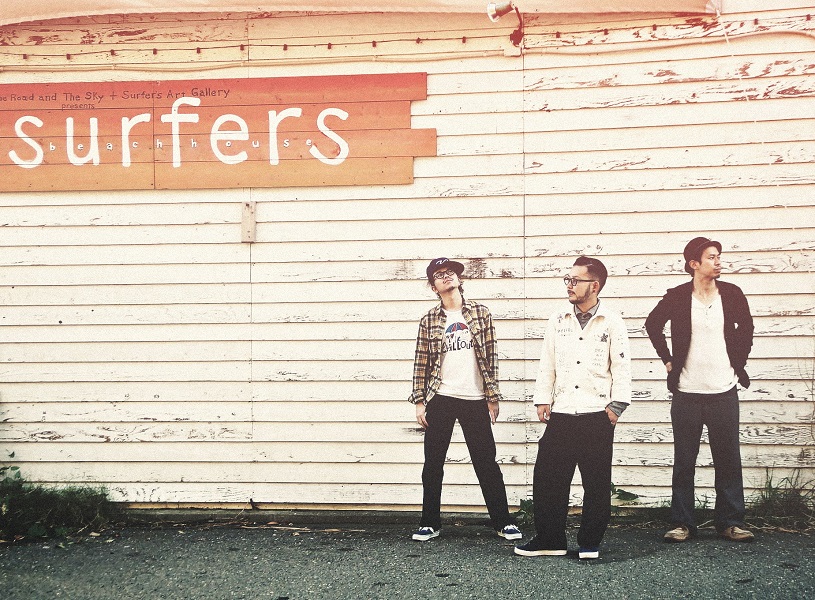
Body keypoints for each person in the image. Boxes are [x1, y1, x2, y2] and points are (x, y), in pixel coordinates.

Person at [515, 256, 631, 560]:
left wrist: (616, 406)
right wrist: (543, 398)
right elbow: (547, 362)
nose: (569, 285)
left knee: (596, 482)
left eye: (576, 280)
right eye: (568, 279)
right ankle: (550, 539)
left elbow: (621, 366)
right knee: (548, 478)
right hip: (563, 412)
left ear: (594, 285)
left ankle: (590, 543)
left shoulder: (611, 321)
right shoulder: (558, 319)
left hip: (596, 413)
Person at [645, 237, 755, 543]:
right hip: (687, 392)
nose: (718, 262)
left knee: (728, 459)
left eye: (718, 256)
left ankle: (730, 522)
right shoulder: (678, 296)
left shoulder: (731, 294)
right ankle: (682, 523)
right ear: (694, 264)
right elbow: (652, 324)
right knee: (684, 460)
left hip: (723, 390)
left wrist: (738, 362)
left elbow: (747, 328)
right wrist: (667, 360)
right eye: (711, 257)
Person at [408, 257, 522, 542]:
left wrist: (492, 396)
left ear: (460, 279)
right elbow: (421, 363)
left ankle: (503, 522)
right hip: (441, 397)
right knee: (433, 463)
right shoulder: (429, 320)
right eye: (439, 275)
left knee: (486, 462)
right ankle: (429, 523)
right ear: (433, 286)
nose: (446, 276)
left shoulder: (481, 313)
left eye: (450, 272)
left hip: (475, 398)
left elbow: (491, 357)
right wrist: (420, 401)